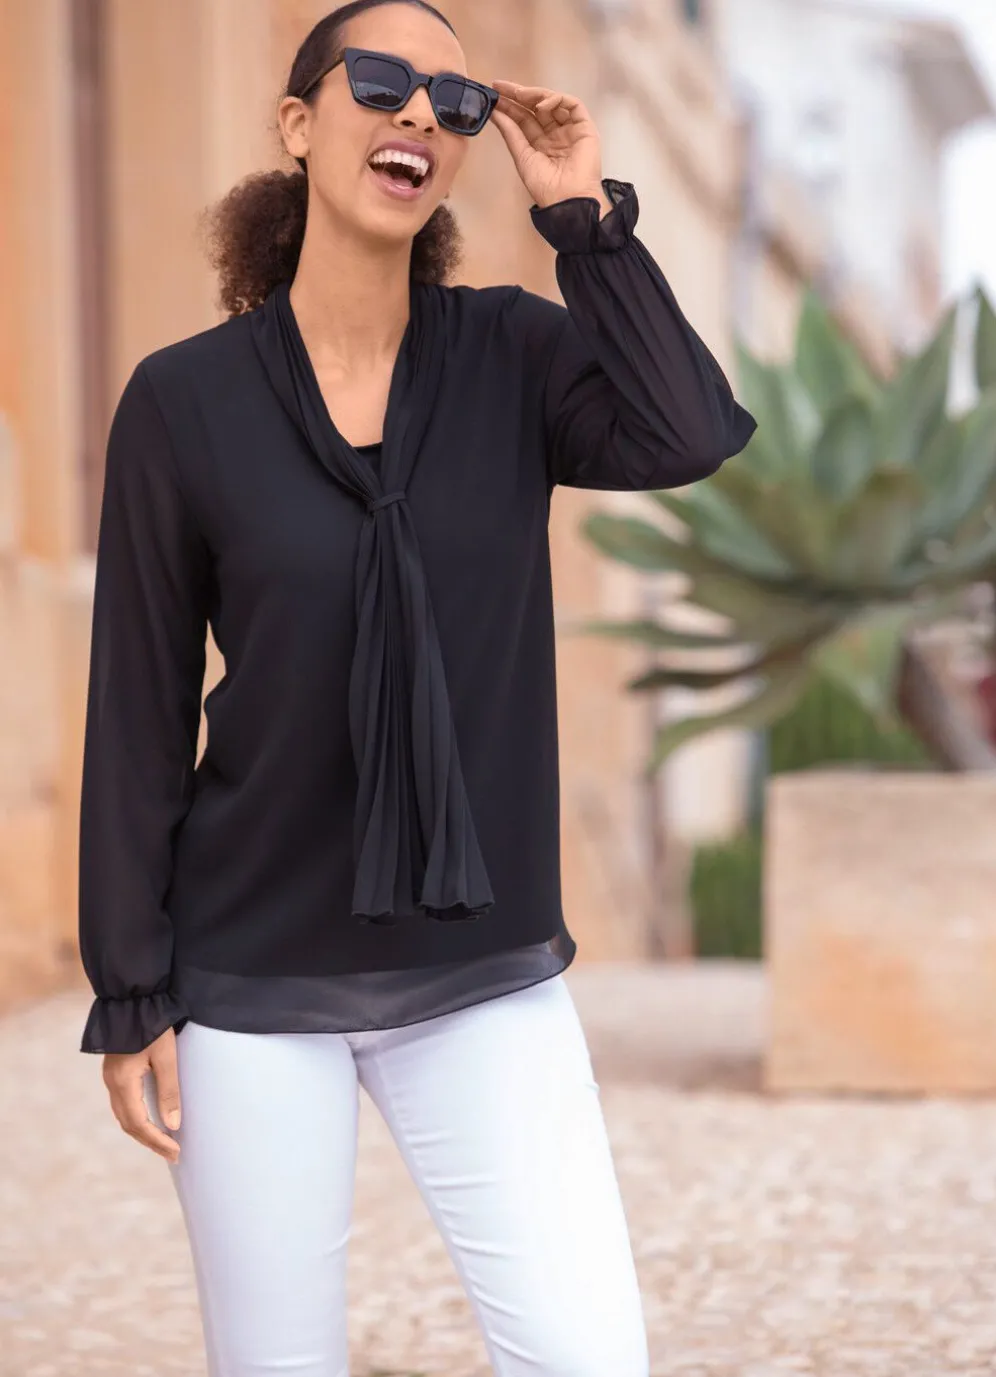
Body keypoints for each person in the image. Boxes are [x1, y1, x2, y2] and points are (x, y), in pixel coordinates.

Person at [77, 1, 757, 1372]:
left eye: (455, 102)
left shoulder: (513, 356)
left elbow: (686, 431)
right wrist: (131, 988)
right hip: (250, 975)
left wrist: (580, 220)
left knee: (586, 1355)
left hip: (481, 964)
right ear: (298, 123)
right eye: (381, 81)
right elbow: (138, 707)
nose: (419, 116)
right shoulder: (182, 403)